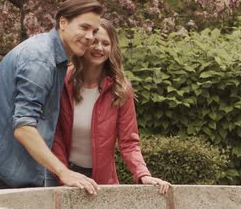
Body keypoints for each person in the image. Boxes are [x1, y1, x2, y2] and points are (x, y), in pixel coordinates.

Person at [0, 0, 102, 194]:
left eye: (94, 31)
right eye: (84, 27)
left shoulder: (53, 55)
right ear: (63, 22)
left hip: (8, 169)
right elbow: (23, 127)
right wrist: (63, 172)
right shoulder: (40, 59)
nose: (90, 37)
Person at [50, 18, 170, 194]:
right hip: (64, 179)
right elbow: (55, 135)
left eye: (105, 43)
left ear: (112, 48)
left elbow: (129, 142)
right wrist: (64, 177)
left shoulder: (121, 89)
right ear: (84, 42)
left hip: (103, 183)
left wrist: (143, 174)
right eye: (94, 42)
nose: (99, 48)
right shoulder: (62, 81)